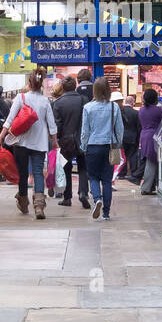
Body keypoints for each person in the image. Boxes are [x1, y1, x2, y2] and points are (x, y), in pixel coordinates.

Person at [0, 67, 57, 219]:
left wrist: (0, 138)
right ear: (41, 83)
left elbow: (10, 120)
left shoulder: (21, 98)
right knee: (38, 172)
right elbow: (51, 125)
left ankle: (23, 201)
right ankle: (39, 206)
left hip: (21, 143)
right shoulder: (45, 101)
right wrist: (55, 141)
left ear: (29, 83)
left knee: (23, 173)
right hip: (39, 143)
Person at [79, 77, 123, 220]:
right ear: (108, 90)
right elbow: (120, 129)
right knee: (106, 180)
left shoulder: (87, 108)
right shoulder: (114, 107)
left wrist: (83, 146)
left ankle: (97, 199)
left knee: (93, 177)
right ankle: (106, 212)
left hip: (92, 146)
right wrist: (118, 143)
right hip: (109, 147)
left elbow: (85, 131)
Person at [51, 75, 89, 209]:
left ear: (63, 87)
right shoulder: (84, 100)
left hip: (65, 140)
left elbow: (57, 124)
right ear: (75, 85)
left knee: (66, 168)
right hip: (82, 138)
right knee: (83, 167)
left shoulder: (58, 103)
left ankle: (67, 198)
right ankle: (83, 192)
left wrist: (57, 140)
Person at [139, 86, 162, 196]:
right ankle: (146, 187)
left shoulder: (141, 110)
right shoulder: (158, 110)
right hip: (154, 137)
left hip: (144, 135)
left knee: (150, 161)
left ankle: (150, 186)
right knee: (152, 162)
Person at [120, 95, 142, 182]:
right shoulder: (136, 113)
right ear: (132, 102)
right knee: (133, 155)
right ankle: (133, 172)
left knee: (123, 155)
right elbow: (139, 127)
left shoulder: (121, 112)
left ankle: (122, 173)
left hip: (122, 137)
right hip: (133, 137)